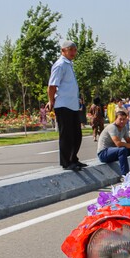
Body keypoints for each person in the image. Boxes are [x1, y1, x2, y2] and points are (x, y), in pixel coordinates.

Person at [47, 40, 85, 171]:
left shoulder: (69, 64)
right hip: (63, 105)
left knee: (76, 134)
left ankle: (73, 158)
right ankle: (66, 162)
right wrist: (51, 101)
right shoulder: (60, 65)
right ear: (63, 50)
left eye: (75, 50)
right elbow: (52, 85)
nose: (73, 52)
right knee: (66, 135)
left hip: (72, 104)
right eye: (70, 50)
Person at [97, 110, 130, 176]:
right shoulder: (112, 127)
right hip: (103, 153)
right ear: (116, 119)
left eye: (124, 119)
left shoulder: (123, 127)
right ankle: (125, 176)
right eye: (120, 119)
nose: (122, 121)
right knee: (122, 149)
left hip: (114, 152)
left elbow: (129, 140)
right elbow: (118, 144)